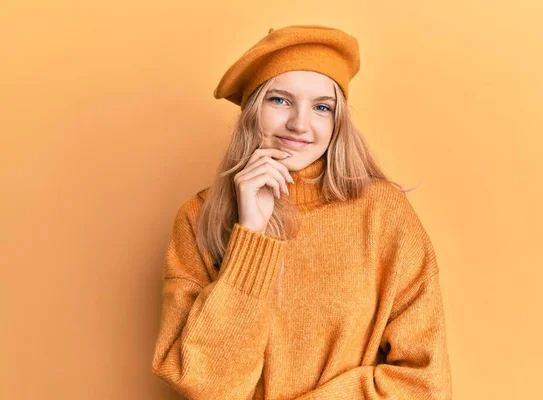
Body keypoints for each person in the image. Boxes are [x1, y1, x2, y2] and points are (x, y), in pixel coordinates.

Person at [151, 24, 453, 399]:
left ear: (337, 121)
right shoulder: (196, 219)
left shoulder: (382, 213)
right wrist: (252, 235)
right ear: (251, 110)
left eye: (321, 107)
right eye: (279, 100)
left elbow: (424, 383)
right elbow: (206, 384)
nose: (299, 124)